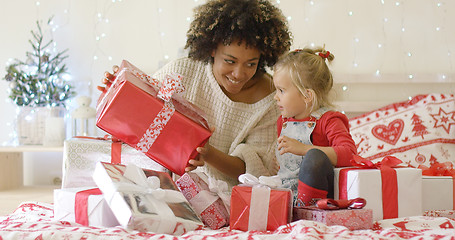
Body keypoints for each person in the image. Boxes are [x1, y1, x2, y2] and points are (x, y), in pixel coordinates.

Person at [98, 0, 292, 190]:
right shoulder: (183, 70)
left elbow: (255, 172)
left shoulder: (271, 100)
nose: (239, 74)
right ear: (213, 48)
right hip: (163, 186)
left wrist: (206, 154)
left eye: (251, 64)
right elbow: (142, 111)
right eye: (230, 61)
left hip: (226, 199)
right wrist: (119, 87)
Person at [272, 47, 357, 206]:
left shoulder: (329, 120)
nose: (275, 96)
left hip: (321, 197)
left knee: (314, 158)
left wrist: (304, 149)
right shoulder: (283, 122)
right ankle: (289, 207)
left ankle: (308, 210)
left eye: (281, 91)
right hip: (289, 192)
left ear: (307, 95)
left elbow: (349, 154)